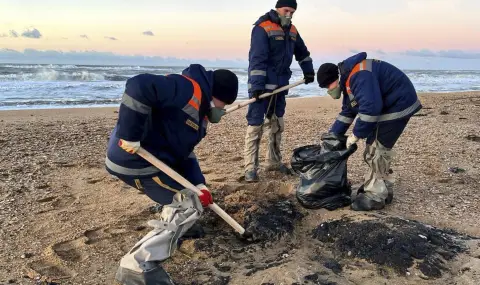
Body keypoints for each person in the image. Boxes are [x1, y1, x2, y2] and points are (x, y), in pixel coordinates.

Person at [105, 64, 238, 284]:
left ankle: (179, 227)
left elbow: (185, 154)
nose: (222, 111)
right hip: (135, 160)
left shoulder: (200, 114)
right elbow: (138, 85)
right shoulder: (185, 89)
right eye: (224, 105)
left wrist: (200, 184)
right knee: (188, 204)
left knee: (191, 198)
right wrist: (130, 134)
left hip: (155, 162)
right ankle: (136, 264)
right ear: (217, 95)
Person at [316, 52, 422, 211]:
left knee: (375, 148)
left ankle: (375, 196)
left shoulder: (359, 76)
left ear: (334, 80)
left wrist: (355, 135)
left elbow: (371, 109)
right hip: (392, 103)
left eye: (327, 87)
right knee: (376, 145)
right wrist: (332, 137)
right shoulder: (349, 80)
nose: (328, 90)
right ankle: (382, 187)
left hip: (398, 103)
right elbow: (348, 112)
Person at [244, 0, 315, 182]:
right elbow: (257, 59)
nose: (289, 14)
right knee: (255, 125)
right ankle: (250, 168)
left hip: (281, 86)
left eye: (292, 12)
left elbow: (302, 52)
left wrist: (308, 70)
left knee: (277, 124)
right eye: (286, 10)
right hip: (262, 87)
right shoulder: (262, 27)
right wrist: (257, 86)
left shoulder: (292, 30)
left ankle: (273, 162)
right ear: (278, 8)